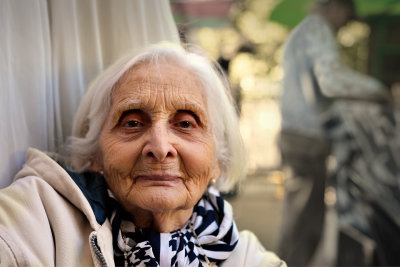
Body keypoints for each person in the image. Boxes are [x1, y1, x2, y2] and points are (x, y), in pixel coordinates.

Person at [0, 43, 286, 267]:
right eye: (132, 123)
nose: (160, 147)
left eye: (185, 124)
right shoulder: (41, 218)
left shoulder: (244, 255)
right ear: (96, 152)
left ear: (218, 161)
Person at [278, 0, 391, 265]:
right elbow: (331, 80)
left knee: (302, 218)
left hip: (298, 135)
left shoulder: (303, 31)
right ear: (336, 7)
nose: (344, 25)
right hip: (306, 138)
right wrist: (377, 89)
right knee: (305, 222)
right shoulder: (317, 29)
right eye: (347, 17)